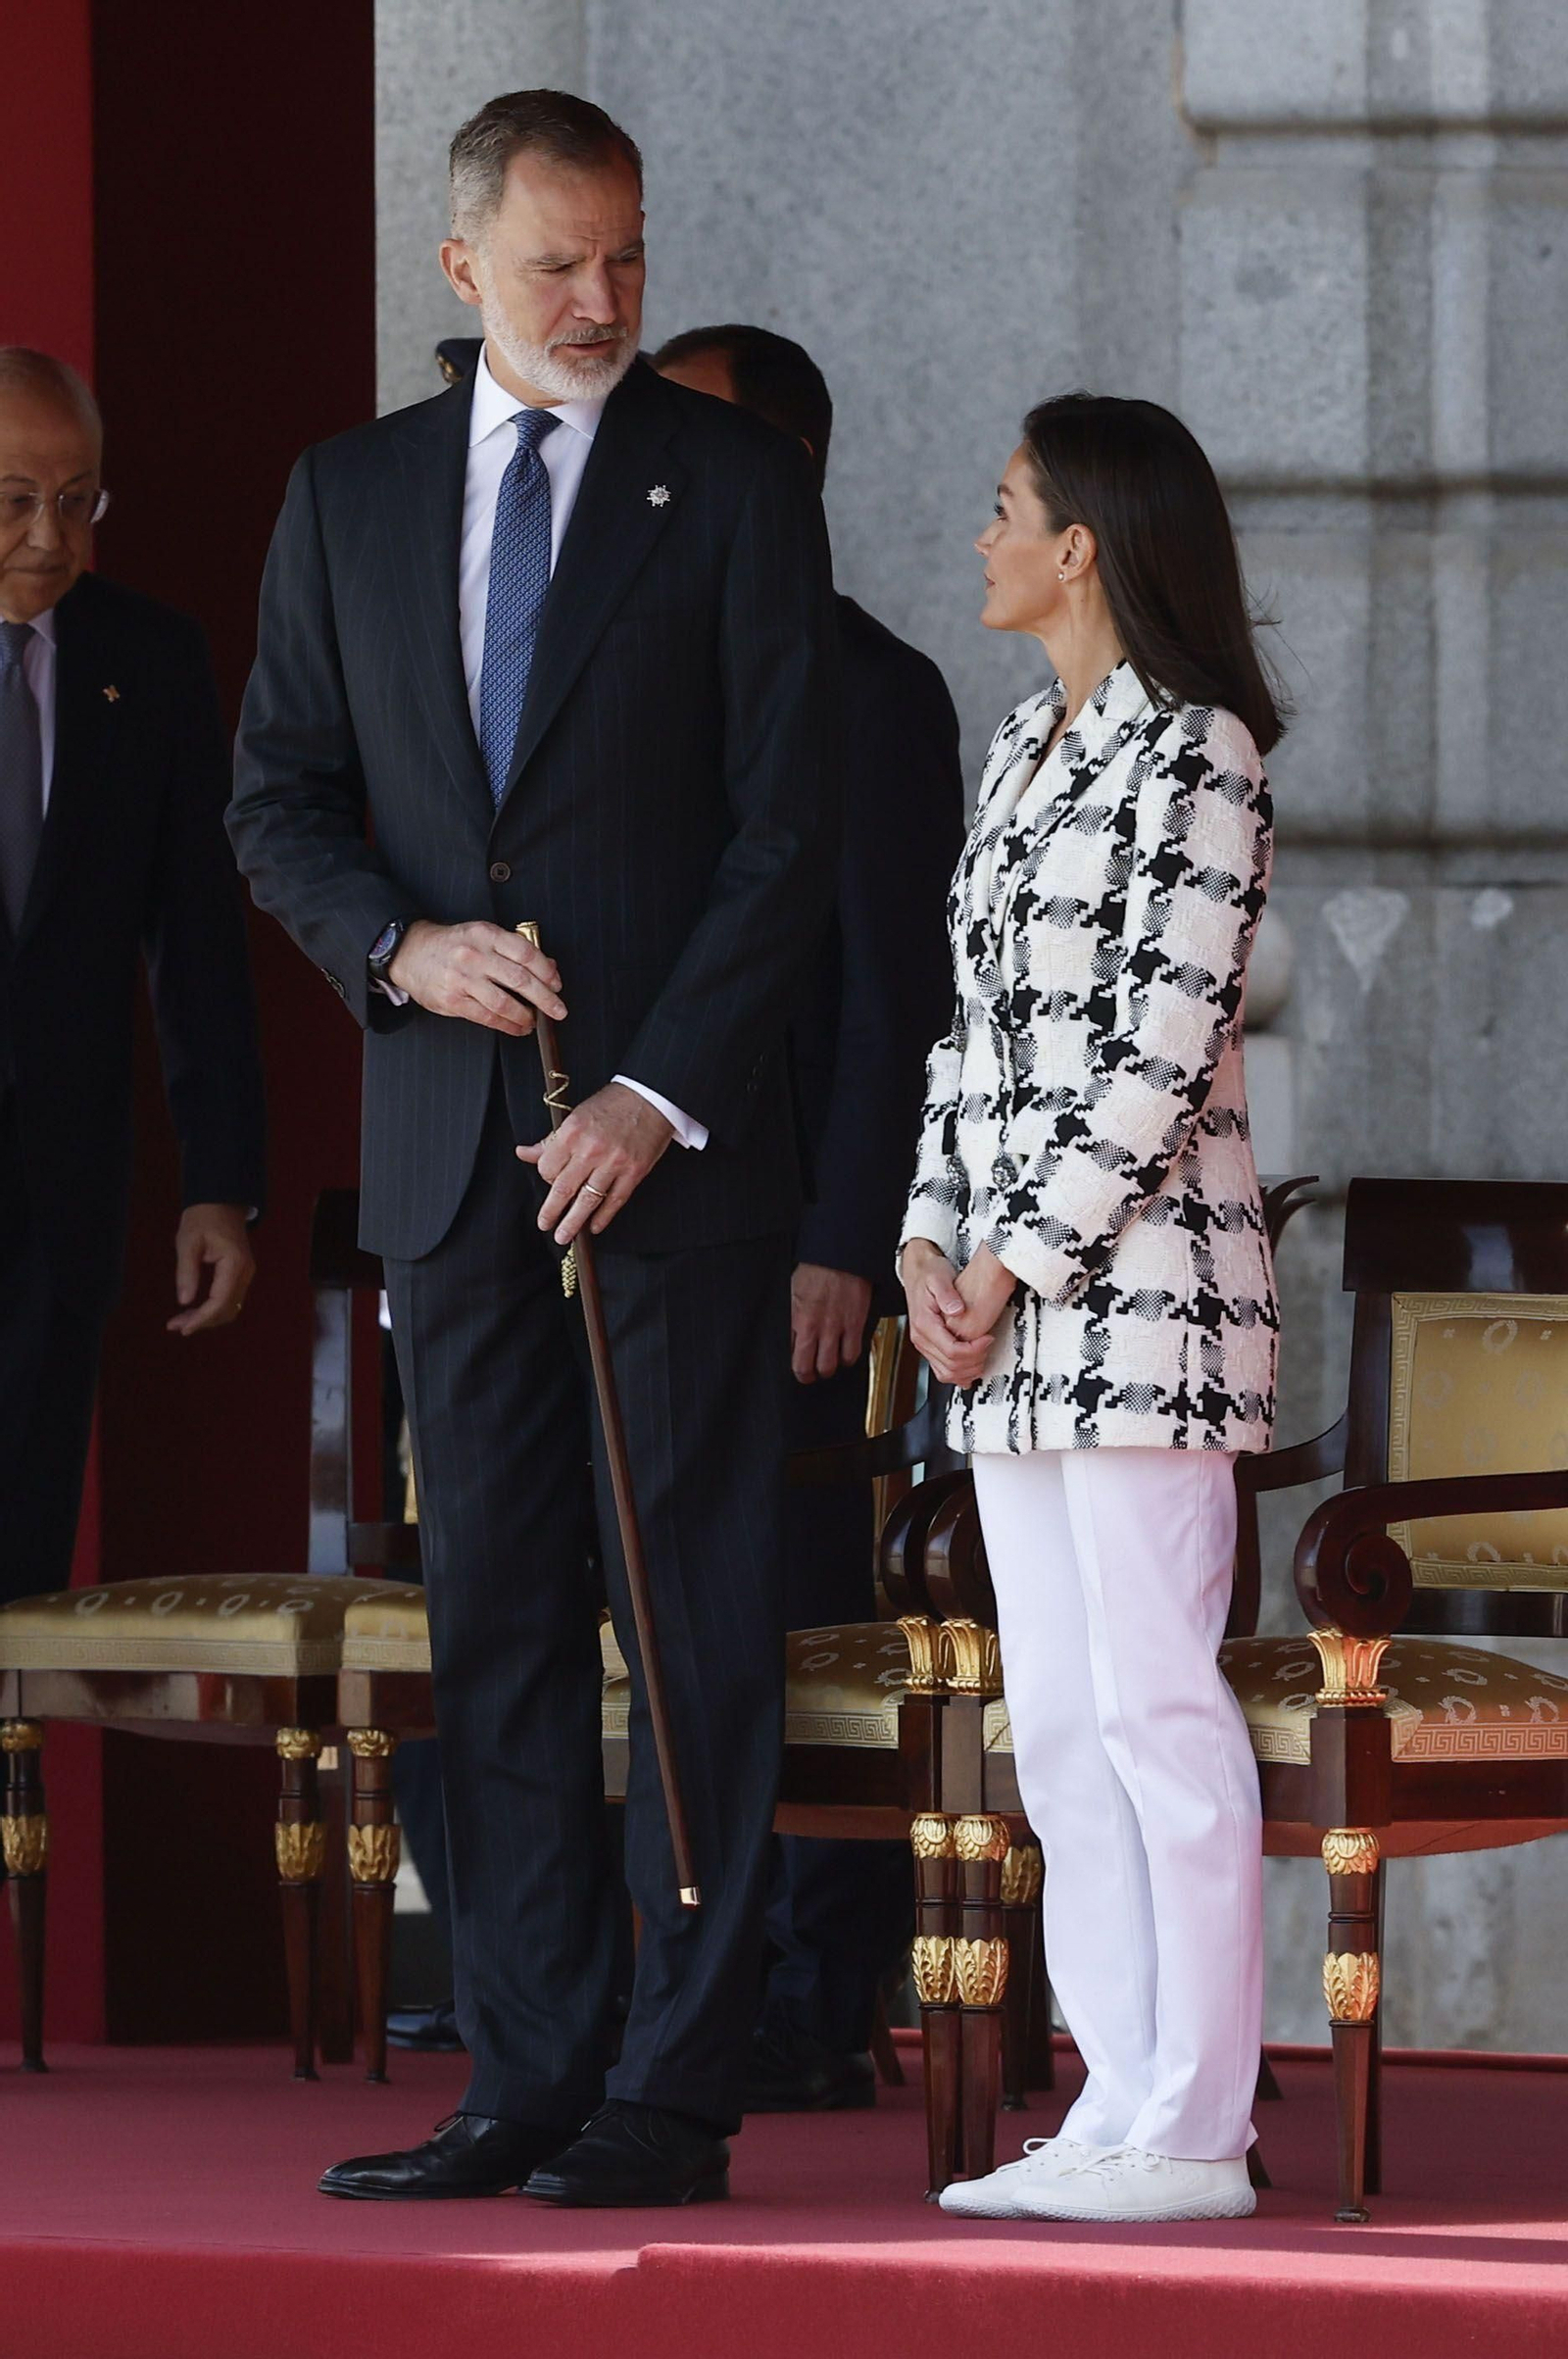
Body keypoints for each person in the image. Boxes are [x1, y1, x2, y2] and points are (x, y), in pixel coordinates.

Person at [228, 91, 840, 2208]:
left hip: (662, 1164)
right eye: (563, 263)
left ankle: (672, 2085)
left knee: (683, 1616)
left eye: (631, 259)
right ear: (460, 263)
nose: (603, 302)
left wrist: (652, 1094)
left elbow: (788, 835)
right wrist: (395, 948)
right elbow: (276, 799)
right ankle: (520, 2067)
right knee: (487, 1615)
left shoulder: (737, 488)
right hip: (442, 1153)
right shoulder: (348, 493)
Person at [901, 392, 1283, 2225]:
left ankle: (1196, 2121)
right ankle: (1111, 2096)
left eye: (1002, 508)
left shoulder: (1197, 748)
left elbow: (1159, 1048)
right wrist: (923, 1243)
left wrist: (1003, 1259)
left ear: (1082, 545)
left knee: (1154, 1707)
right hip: (1004, 1324)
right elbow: (964, 1039)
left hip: (1145, 1314)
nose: (977, 536)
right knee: (1054, 1720)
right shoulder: (1015, 749)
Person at [654, 323, 963, 2110]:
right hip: (634, 1221)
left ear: (782, 467)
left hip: (795, 1240)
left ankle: (816, 1983)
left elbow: (885, 998)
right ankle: (646, 1972)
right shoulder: (630, 662)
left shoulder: (869, 684)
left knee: (788, 1595)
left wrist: (850, 1231)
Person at [0, 350, 264, 1605]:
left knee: (24, 1527)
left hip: (58, 1181)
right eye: (13, 500)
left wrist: (220, 1184)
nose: (49, 538)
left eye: (77, 499)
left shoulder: (146, 658)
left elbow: (197, 939)